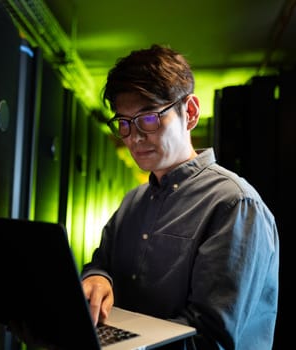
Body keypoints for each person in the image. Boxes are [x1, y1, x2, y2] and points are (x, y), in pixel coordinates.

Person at [81, 44, 279, 349]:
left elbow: (209, 338)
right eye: (123, 123)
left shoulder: (234, 205)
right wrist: (98, 278)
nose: (133, 138)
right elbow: (101, 263)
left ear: (190, 112)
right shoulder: (132, 202)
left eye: (148, 119)